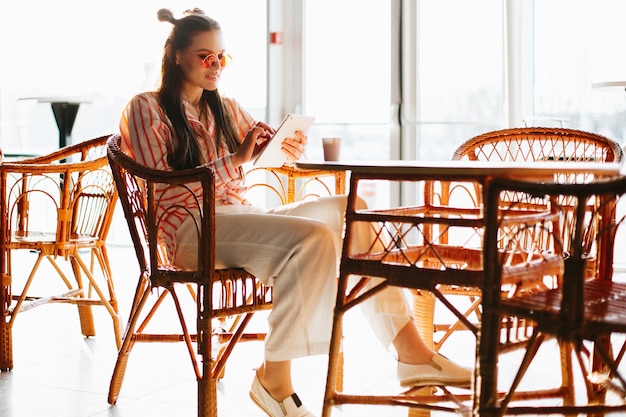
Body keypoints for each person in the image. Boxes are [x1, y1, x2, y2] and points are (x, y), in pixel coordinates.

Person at [119, 8, 471, 417]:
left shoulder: (227, 109)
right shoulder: (146, 108)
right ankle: (275, 379)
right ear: (176, 55)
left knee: (350, 211)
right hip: (188, 231)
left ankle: (412, 353)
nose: (215, 65)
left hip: (236, 215)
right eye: (205, 56)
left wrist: (283, 146)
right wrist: (235, 160)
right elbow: (160, 186)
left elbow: (260, 154)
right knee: (314, 238)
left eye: (222, 57)